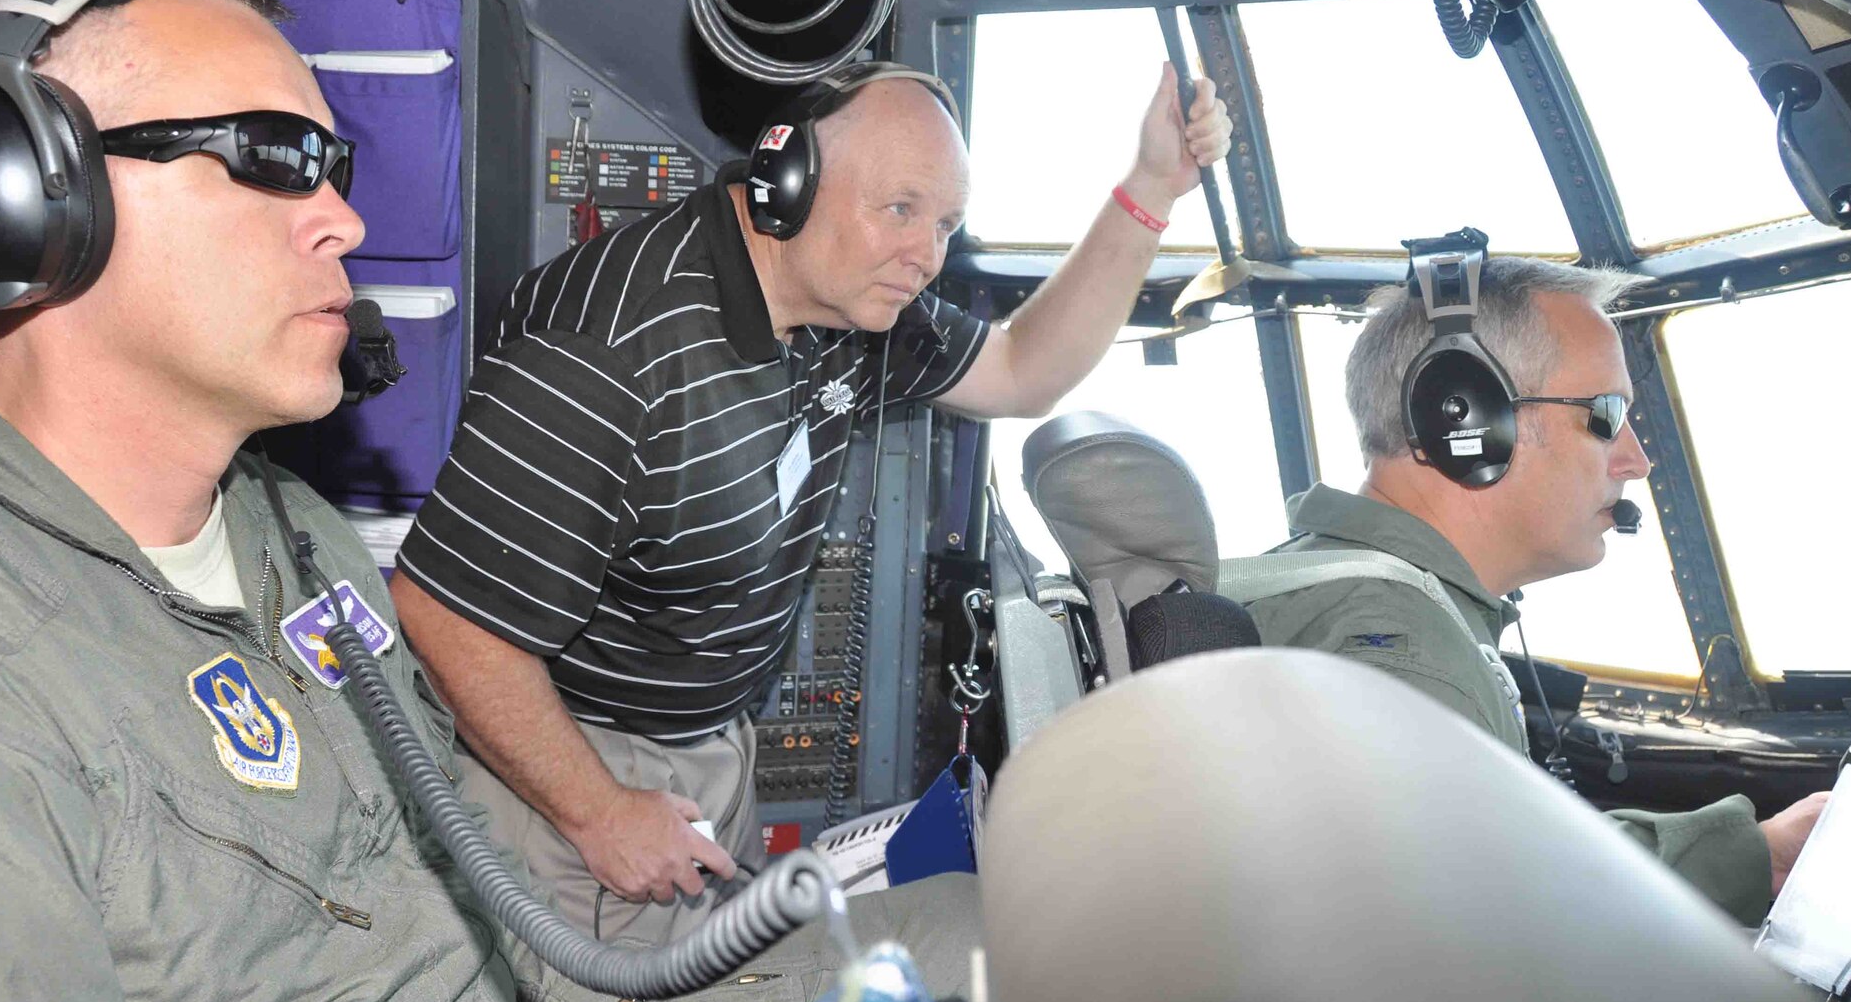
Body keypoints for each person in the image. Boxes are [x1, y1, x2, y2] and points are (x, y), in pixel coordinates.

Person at [0, 0, 973, 1002]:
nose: (342, 217)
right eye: (270, 161)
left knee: (982, 943)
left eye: (331, 166)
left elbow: (454, 860)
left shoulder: (294, 533)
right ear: (32, 199)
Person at [389, 58, 1233, 943]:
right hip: (575, 763)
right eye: (900, 210)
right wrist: (600, 812)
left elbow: (1025, 371)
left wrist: (1151, 190)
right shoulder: (609, 349)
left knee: (737, 998)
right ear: (785, 183)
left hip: (711, 744)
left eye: (946, 224)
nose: (927, 257)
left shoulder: (849, 306)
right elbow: (446, 618)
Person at [1244, 256, 1824, 924]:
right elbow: (1485, 937)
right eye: (1606, 413)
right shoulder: (1394, 648)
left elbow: (1496, 864)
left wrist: (1761, 854)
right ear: (1462, 421)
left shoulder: (1339, 591)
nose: (1636, 458)